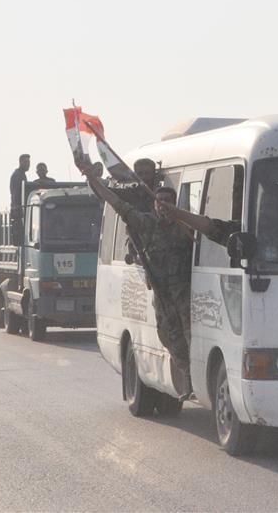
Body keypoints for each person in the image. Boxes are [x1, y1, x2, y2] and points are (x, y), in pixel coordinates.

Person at [83, 164, 195, 396]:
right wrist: (92, 180)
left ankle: (192, 380)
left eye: (168, 202)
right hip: (162, 294)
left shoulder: (185, 227)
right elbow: (116, 202)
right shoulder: (147, 224)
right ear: (154, 204)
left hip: (184, 291)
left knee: (192, 336)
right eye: (159, 201)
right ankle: (186, 373)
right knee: (168, 335)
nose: (163, 206)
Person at [9, 154, 31, 245]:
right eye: (26, 162)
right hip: (18, 211)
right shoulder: (18, 176)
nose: (28, 164)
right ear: (20, 162)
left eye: (29, 162)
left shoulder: (21, 175)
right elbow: (17, 195)